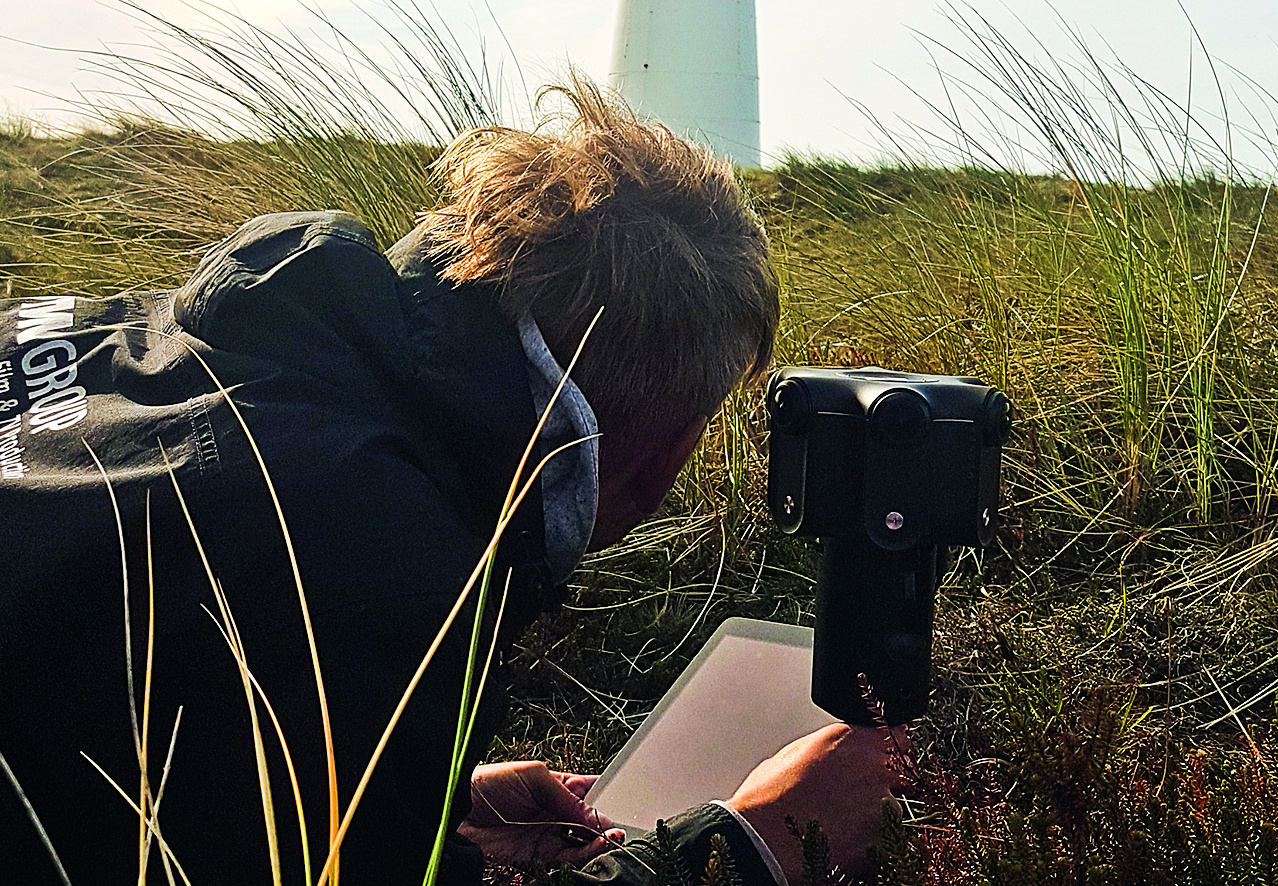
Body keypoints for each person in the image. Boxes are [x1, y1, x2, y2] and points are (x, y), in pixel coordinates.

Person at [0, 77, 906, 886]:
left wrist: (420, 798)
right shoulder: (369, 564)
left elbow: (87, 705)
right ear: (662, 455)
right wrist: (750, 848)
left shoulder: (125, 341)